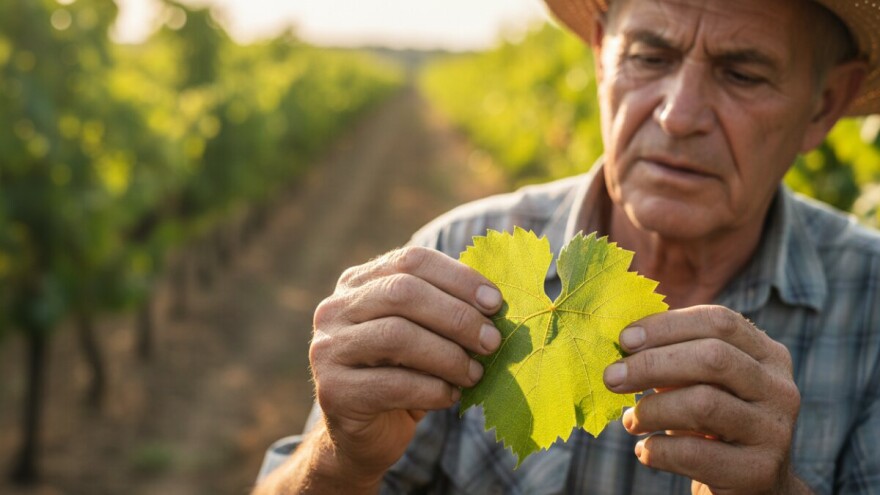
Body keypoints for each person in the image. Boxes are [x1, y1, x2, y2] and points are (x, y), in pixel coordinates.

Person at [253, 0, 880, 492]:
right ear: (603, 49)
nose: (678, 114)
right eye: (650, 57)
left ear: (823, 106)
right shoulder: (456, 259)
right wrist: (338, 464)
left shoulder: (872, 306)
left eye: (742, 73)